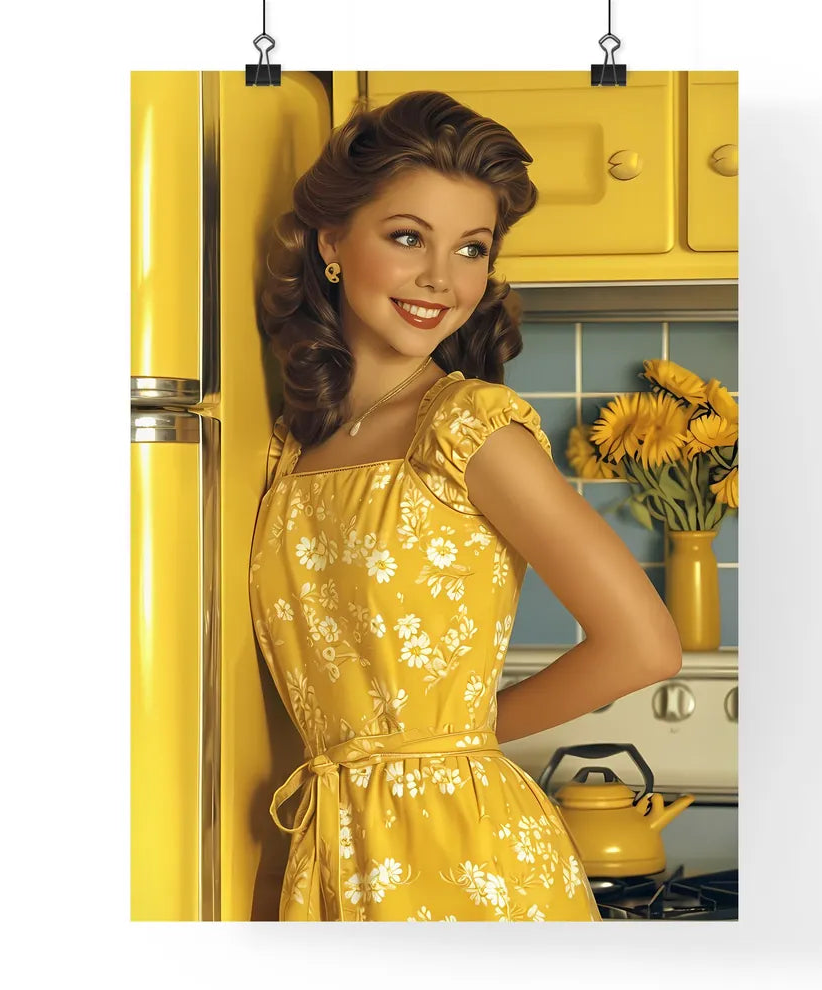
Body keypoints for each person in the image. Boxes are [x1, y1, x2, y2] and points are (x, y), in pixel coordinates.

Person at [250, 90, 683, 922]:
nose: (442, 280)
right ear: (334, 244)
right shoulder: (288, 446)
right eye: (408, 237)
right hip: (338, 849)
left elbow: (646, 646)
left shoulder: (467, 428)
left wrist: (458, 735)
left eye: (472, 249)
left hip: (469, 858)